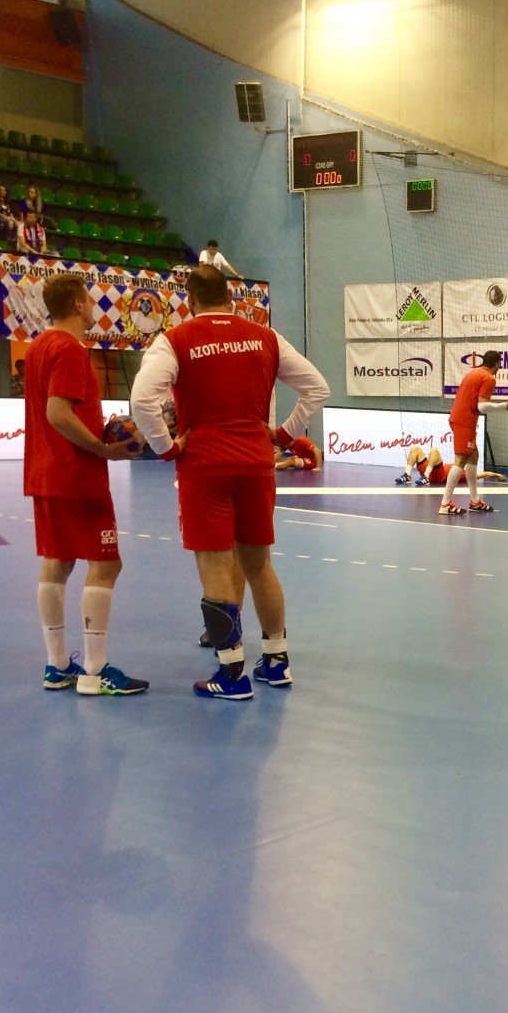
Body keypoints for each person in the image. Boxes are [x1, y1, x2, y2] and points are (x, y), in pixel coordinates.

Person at [128, 264, 330, 700]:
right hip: (256, 465)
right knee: (260, 565)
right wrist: (284, 434)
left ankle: (232, 673)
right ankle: (276, 662)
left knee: (216, 567)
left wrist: (166, 447)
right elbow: (317, 388)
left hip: (206, 467)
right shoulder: (266, 337)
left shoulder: (175, 340)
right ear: (232, 298)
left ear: (191, 301)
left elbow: (142, 400)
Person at [22, 273, 148, 697]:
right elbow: (58, 413)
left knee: (57, 561)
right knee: (106, 564)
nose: (92, 307)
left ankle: (57, 666)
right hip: (76, 475)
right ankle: (95, 670)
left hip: (45, 473)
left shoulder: (38, 346)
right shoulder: (70, 349)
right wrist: (102, 448)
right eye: (89, 301)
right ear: (77, 304)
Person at [440, 350, 508, 515]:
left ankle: (475, 501)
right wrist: (505, 406)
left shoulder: (474, 373)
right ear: (497, 363)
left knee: (473, 456)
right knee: (461, 459)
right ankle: (445, 504)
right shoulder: (489, 378)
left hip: (462, 418)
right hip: (464, 420)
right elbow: (482, 407)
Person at [397, 445, 507, 486]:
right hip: (430, 470)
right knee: (415, 448)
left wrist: (496, 475)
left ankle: (426, 476)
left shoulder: (465, 474)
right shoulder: (456, 466)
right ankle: (407, 475)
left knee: (434, 450)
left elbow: (484, 474)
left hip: (438, 476)